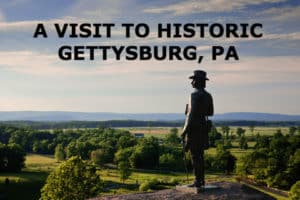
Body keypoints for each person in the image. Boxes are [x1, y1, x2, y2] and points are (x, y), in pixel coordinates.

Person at [181, 70, 214, 188]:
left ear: (197, 81)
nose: (191, 83)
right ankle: (201, 180)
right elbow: (210, 112)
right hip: (203, 129)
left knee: (195, 156)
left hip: (194, 129)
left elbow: (190, 115)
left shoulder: (194, 95)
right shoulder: (208, 95)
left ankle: (197, 180)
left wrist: (184, 131)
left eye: (193, 80)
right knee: (200, 156)